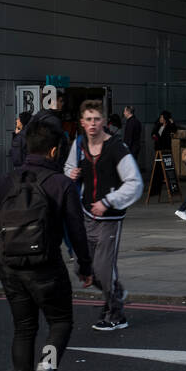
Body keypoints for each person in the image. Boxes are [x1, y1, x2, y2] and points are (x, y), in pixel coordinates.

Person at [0, 116, 93, 371]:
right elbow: (76, 232)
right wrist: (85, 267)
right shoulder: (61, 184)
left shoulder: (4, 181)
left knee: (23, 328)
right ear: (55, 150)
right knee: (60, 323)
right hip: (47, 268)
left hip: (11, 268)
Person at [65, 99, 143, 332]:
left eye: (96, 119)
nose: (92, 124)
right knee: (82, 267)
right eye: (88, 119)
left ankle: (116, 315)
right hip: (85, 215)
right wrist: (72, 173)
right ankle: (115, 292)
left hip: (110, 219)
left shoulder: (117, 148)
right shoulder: (79, 145)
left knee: (103, 269)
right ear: (82, 122)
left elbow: (134, 183)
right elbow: (67, 168)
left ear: (104, 122)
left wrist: (109, 202)